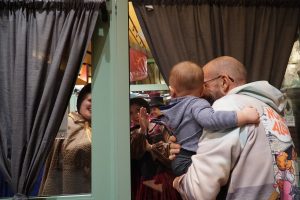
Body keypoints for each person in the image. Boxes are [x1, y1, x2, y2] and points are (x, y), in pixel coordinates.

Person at [169, 56, 300, 200]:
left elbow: (199, 191)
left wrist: (178, 182)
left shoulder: (226, 108)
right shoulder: (271, 111)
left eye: (204, 84)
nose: (201, 92)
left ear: (224, 82)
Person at [160, 61, 259, 176]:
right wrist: (243, 116)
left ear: (171, 91)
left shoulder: (171, 108)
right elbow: (210, 119)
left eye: (206, 84)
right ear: (201, 90)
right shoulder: (197, 103)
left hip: (179, 159)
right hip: (189, 159)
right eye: (204, 85)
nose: (205, 90)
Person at [39, 83, 92, 195]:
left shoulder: (105, 127)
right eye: (90, 100)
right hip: (68, 185)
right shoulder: (63, 122)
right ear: (80, 101)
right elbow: (53, 157)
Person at [130, 97, 181, 200]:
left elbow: (171, 152)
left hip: (162, 177)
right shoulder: (131, 132)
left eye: (138, 110)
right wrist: (142, 130)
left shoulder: (159, 127)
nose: (135, 115)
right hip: (141, 179)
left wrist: (151, 148)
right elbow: (134, 153)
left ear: (146, 111)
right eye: (131, 113)